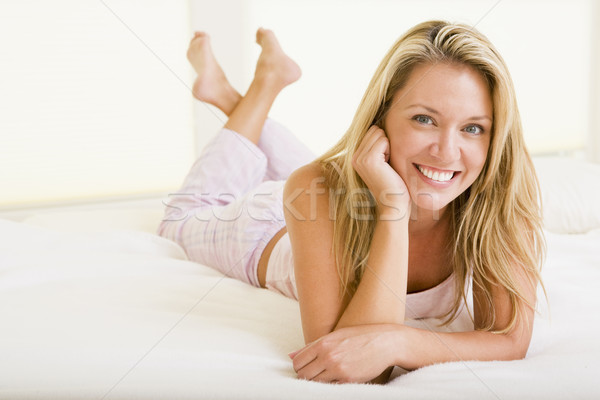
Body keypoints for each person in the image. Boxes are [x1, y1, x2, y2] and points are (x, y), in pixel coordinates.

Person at [158, 21, 546, 384]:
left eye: (472, 128)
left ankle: (231, 96)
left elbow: (508, 339)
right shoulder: (316, 187)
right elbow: (355, 372)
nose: (446, 152)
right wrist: (393, 207)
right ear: (382, 117)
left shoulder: (503, 194)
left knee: (321, 173)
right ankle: (262, 89)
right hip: (271, 228)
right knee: (181, 217)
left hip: (354, 187)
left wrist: (399, 342)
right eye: (424, 119)